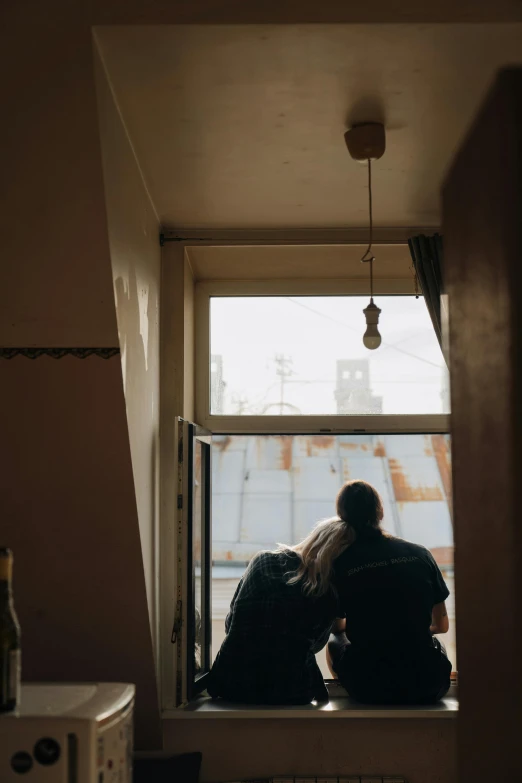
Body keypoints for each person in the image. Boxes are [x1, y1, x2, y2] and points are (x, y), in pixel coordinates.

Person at [327, 480, 452, 704]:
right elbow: (442, 625)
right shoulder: (420, 554)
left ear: (341, 516)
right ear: (381, 512)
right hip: (429, 683)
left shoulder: (340, 563)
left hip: (369, 686)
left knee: (335, 640)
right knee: (433, 646)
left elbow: (337, 626)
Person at [207, 544, 339, 705]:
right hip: (293, 692)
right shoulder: (327, 589)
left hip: (229, 684)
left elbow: (231, 624)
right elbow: (316, 644)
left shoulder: (263, 561)